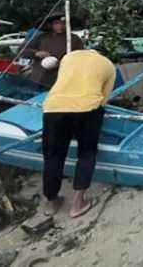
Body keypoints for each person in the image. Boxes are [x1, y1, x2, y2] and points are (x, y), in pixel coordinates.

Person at [42, 48, 116, 218]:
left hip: (54, 108)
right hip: (87, 109)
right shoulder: (108, 65)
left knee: (53, 155)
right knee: (86, 153)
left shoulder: (68, 58)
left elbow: (63, 80)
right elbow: (104, 98)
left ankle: (51, 203)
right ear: (101, 54)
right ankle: (77, 204)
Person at [22, 14, 83, 87]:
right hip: (38, 75)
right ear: (50, 25)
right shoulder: (41, 37)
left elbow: (80, 57)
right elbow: (23, 50)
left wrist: (63, 62)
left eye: (64, 23)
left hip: (60, 77)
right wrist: (36, 53)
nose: (60, 25)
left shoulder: (74, 39)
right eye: (57, 23)